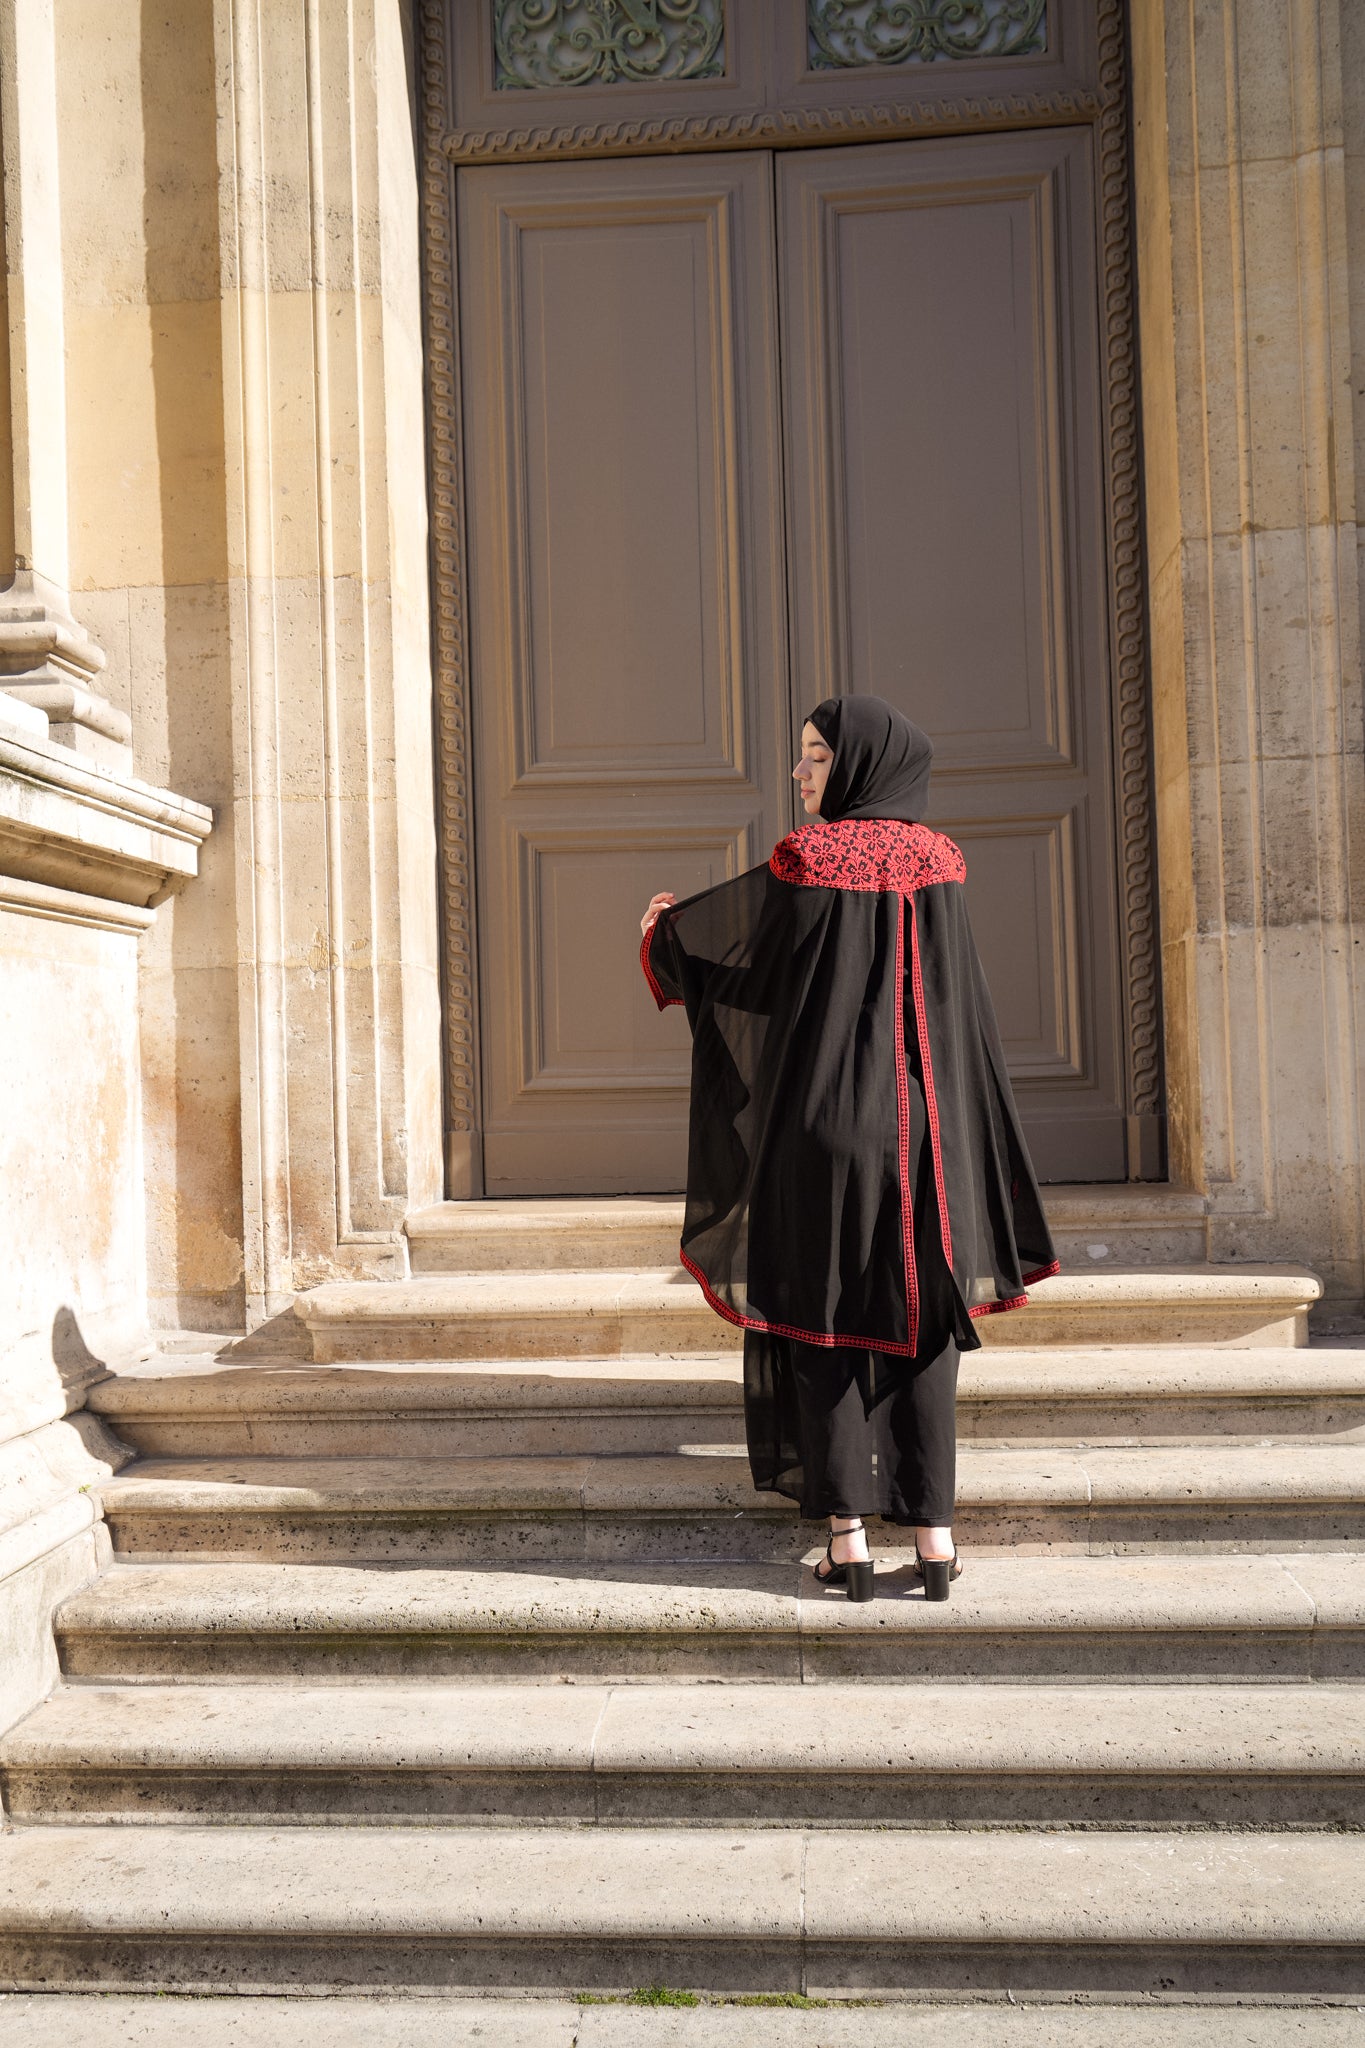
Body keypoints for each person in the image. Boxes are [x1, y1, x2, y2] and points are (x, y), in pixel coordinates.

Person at [639, 695, 1057, 1602]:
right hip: (927, 1136)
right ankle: (935, 1540)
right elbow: (955, 1007)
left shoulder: (805, 858)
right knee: (922, 1329)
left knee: (820, 1323)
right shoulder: (940, 860)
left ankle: (849, 1543)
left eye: (815, 757)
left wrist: (664, 931)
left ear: (858, 765)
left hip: (825, 1130)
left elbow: (740, 958)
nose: (799, 773)